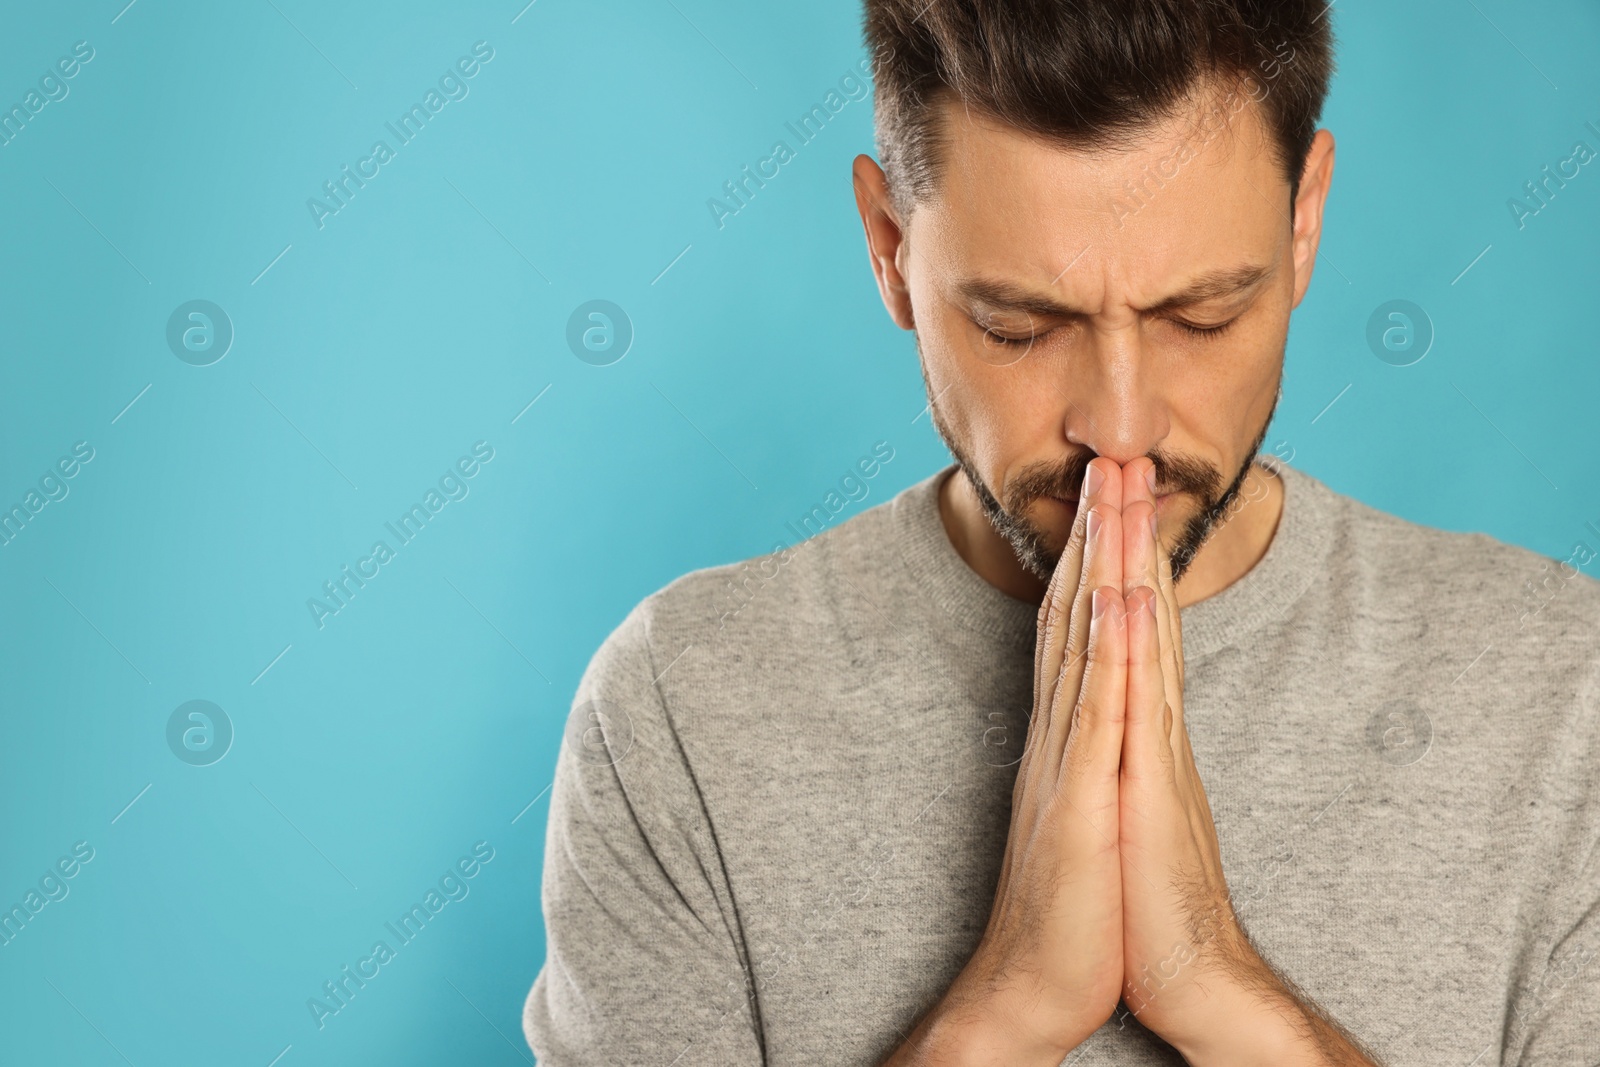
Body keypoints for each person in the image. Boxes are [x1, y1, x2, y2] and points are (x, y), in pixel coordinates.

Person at [523, 2, 1600, 1063]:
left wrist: (1218, 987)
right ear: (889, 247)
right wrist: (1010, 1006)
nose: (1119, 426)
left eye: (1202, 316)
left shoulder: (1562, 692)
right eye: (1019, 328)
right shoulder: (681, 709)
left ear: (1303, 220)